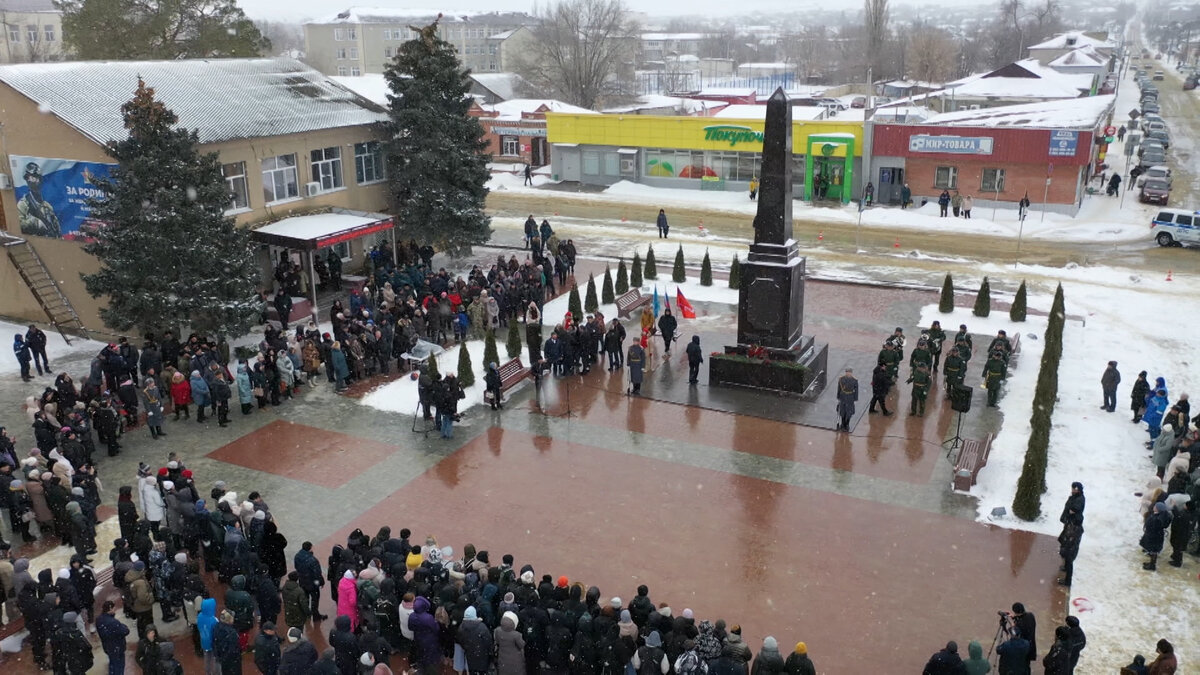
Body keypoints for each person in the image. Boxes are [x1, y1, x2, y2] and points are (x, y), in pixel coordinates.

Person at [96, 600, 129, 675]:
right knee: (119, 666)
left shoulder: (99, 620)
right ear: (110, 608)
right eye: (114, 608)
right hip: (117, 647)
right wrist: (123, 626)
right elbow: (125, 631)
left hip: (108, 647)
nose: (115, 610)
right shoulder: (113, 622)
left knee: (112, 664)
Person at [1140, 502, 1172, 570]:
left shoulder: (1157, 519)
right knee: (1153, 551)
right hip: (1156, 536)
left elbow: (1152, 526)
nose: (1154, 507)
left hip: (1153, 537)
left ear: (1158, 509)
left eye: (1155, 506)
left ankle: (1152, 566)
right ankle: (1151, 563)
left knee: (1153, 551)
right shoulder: (1161, 516)